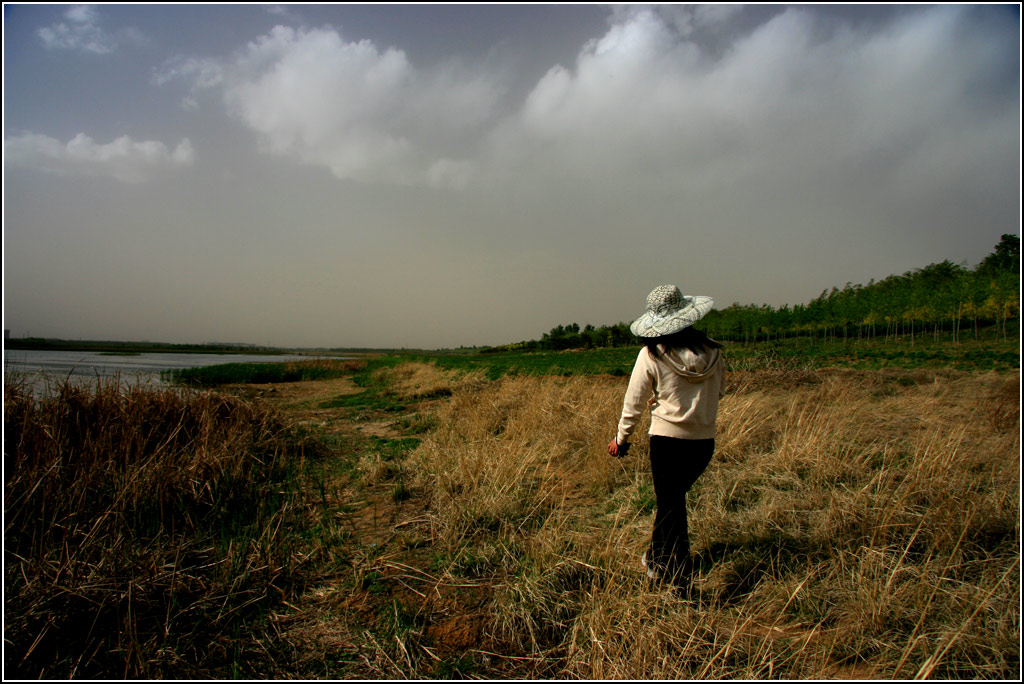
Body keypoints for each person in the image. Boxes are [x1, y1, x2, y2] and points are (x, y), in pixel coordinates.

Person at [607, 284, 725, 592]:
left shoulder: (651, 355)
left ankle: (680, 582)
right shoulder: (714, 352)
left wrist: (621, 439)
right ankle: (656, 560)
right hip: (704, 443)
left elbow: (633, 403)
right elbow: (720, 392)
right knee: (671, 502)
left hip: (667, 443)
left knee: (672, 507)